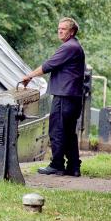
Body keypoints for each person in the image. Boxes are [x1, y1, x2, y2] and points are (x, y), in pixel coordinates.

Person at [21, 17, 86, 177]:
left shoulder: (69, 47)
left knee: (57, 130)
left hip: (64, 95)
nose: (60, 31)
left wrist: (29, 76)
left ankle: (57, 164)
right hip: (73, 96)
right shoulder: (75, 46)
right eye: (59, 28)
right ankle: (73, 167)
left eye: (63, 29)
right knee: (69, 132)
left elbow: (48, 65)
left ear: (71, 32)